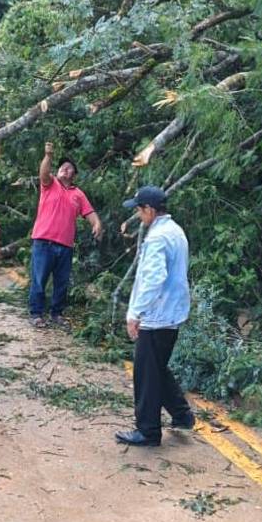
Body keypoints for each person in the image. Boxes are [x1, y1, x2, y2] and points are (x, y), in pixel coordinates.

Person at [114, 186, 194, 447]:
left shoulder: (158, 237)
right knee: (156, 367)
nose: (138, 215)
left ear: (149, 209)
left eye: (139, 210)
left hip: (157, 313)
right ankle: (182, 415)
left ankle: (148, 431)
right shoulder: (176, 231)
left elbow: (153, 279)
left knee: (146, 373)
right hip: (171, 312)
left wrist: (135, 313)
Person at [28, 140, 103, 328]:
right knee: (39, 279)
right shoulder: (50, 184)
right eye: (62, 167)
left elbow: (89, 213)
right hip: (43, 242)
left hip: (65, 245)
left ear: (74, 174)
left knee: (61, 283)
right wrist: (48, 156)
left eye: (69, 168)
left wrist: (97, 224)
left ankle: (56, 313)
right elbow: (43, 172)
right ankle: (36, 314)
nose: (65, 169)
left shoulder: (78, 194)